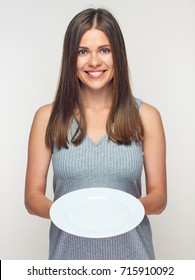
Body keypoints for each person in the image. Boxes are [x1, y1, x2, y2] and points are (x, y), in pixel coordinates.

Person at [25, 8, 167, 260]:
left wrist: (119, 210)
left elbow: (159, 198)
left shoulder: (147, 116)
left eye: (104, 50)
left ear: (117, 55)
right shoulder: (47, 117)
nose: (94, 62)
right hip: (68, 263)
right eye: (83, 51)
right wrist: (73, 212)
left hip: (132, 264)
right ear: (71, 57)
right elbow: (32, 198)